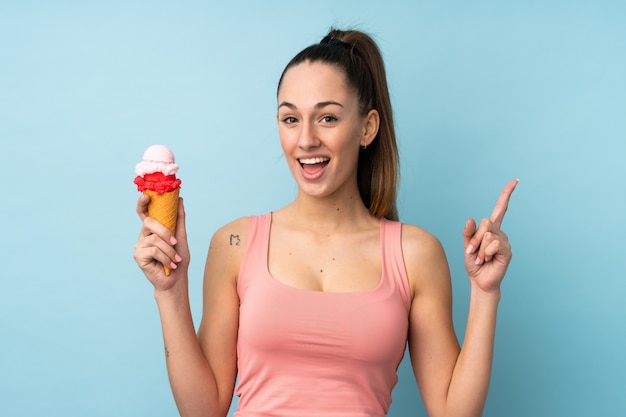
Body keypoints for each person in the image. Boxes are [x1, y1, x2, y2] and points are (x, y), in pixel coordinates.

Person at [134, 28, 518, 417]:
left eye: (328, 117)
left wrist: (486, 294)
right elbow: (202, 412)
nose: (305, 140)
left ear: (367, 127)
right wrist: (170, 292)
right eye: (290, 119)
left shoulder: (415, 254)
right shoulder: (234, 243)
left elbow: (454, 412)